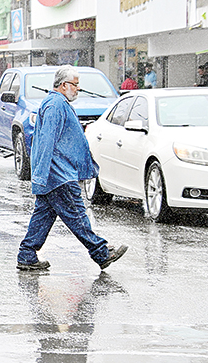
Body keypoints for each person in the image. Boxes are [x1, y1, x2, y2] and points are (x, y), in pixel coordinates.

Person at [16, 65, 128, 271]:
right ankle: (101, 252)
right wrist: (41, 174)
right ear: (63, 85)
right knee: (76, 215)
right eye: (75, 85)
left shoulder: (57, 103)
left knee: (43, 215)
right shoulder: (55, 105)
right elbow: (47, 141)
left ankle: (27, 254)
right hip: (59, 174)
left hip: (55, 173)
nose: (78, 89)